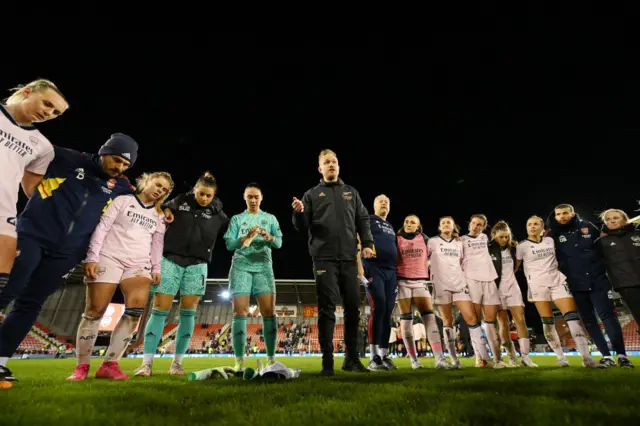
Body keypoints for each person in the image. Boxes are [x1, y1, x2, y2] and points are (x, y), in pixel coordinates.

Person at [0, 133, 138, 383]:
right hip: (33, 235)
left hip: (68, 252)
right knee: (7, 289)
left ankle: (0, 362)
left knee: (31, 303)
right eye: (116, 160)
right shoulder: (66, 157)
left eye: (126, 165)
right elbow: (29, 160)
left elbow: (141, 204)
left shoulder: (122, 186)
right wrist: (35, 193)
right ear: (104, 152)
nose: (119, 168)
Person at [66, 172, 173, 380]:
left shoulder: (159, 215)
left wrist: (156, 268)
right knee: (95, 311)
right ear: (146, 181)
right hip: (109, 256)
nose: (160, 190)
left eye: (165, 190)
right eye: (158, 185)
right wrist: (92, 256)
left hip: (138, 263)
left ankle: (110, 363)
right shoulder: (123, 200)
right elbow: (103, 227)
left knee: (134, 311)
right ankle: (82, 366)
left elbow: (157, 243)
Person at [135, 172, 229, 376]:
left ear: (214, 196)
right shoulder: (178, 202)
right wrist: (167, 209)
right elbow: (160, 209)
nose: (204, 198)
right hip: (170, 260)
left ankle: (177, 364)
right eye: (201, 193)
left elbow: (230, 234)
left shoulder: (218, 213)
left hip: (197, 265)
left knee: (189, 311)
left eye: (208, 196)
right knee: (160, 308)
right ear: (194, 189)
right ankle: (146, 364)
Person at [292, 149, 374, 375]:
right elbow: (301, 226)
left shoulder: (351, 192)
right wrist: (298, 213)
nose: (331, 165)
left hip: (348, 258)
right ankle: (327, 363)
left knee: (352, 309)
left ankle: (351, 359)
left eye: (334, 161)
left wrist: (367, 242)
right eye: (326, 162)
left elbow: (363, 219)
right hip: (323, 259)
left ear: (339, 166)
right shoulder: (311, 195)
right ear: (320, 168)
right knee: (327, 310)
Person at [0, 79, 69, 295]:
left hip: (4, 214)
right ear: (27, 92)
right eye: (47, 104)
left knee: (2, 282)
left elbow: (33, 190)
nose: (49, 113)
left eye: (56, 112)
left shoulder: (43, 147)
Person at [515, 216, 604, 368]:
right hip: (537, 286)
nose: (532, 227)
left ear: (543, 227)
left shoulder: (551, 240)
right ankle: (561, 358)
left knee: (572, 318)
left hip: (557, 282)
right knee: (548, 322)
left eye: (536, 224)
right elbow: (515, 267)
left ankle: (586, 358)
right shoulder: (521, 246)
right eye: (529, 224)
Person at [546, 204, 627, 368]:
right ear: (555, 217)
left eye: (565, 213)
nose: (562, 216)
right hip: (575, 285)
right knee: (590, 321)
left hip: (597, 281)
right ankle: (606, 356)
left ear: (572, 213)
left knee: (608, 317)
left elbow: (604, 244)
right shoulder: (553, 235)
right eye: (559, 214)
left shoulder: (587, 227)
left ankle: (621, 355)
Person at [225, 183, 282, 371]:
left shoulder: (270, 218)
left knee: (268, 313)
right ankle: (239, 362)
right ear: (244, 198)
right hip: (241, 266)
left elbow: (279, 244)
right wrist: (245, 238)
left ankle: (271, 359)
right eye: (249, 196)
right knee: (239, 312)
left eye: (256, 196)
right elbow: (229, 245)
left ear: (261, 198)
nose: (253, 200)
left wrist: (269, 237)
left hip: (264, 267)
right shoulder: (237, 219)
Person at [427, 216, 492, 368]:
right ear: (439, 227)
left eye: (448, 222)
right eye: (442, 223)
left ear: (453, 226)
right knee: (447, 321)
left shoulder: (459, 242)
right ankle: (455, 359)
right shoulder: (432, 241)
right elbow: (424, 259)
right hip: (441, 285)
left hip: (459, 283)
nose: (445, 225)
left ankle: (485, 358)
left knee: (472, 318)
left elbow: (463, 261)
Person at [395, 214, 452, 370]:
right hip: (403, 281)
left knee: (430, 317)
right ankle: (414, 361)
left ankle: (439, 358)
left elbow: (438, 252)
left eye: (412, 222)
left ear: (418, 226)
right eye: (406, 221)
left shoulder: (425, 239)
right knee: (406, 321)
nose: (408, 224)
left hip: (420, 282)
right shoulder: (397, 238)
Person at [356, 194, 398, 371]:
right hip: (373, 268)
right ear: (373, 205)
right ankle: (373, 357)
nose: (384, 203)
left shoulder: (390, 226)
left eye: (387, 202)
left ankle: (384, 355)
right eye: (380, 201)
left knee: (388, 311)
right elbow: (357, 242)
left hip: (391, 272)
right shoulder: (368, 220)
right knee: (378, 307)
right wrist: (359, 268)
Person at [461, 214, 509, 368]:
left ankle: (498, 359)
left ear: (484, 227)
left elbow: (503, 238)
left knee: (491, 321)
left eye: (479, 224)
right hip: (471, 280)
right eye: (473, 223)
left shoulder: (485, 239)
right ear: (469, 224)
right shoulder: (460, 240)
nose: (475, 226)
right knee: (475, 321)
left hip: (489, 280)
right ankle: (480, 357)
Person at [488, 220, 537, 367]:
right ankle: (512, 357)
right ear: (494, 235)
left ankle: (525, 357)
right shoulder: (487, 248)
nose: (504, 239)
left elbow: (516, 266)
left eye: (507, 236)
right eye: (501, 236)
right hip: (496, 290)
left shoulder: (514, 248)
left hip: (512, 288)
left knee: (520, 320)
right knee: (503, 323)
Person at [595, 208, 639, 368]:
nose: (612, 221)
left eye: (616, 218)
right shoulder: (601, 243)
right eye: (608, 219)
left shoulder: (637, 235)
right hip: (626, 284)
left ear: (625, 219)